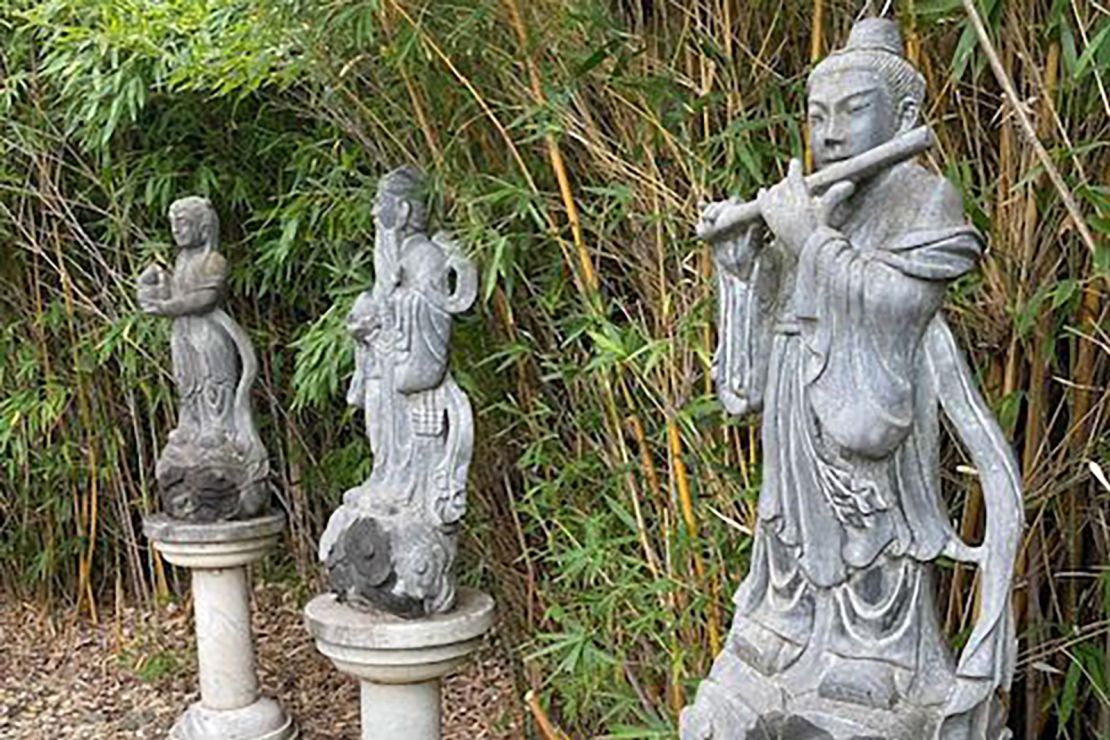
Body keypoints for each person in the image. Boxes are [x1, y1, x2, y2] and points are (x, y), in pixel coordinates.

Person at [682, 18, 1021, 740]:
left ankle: (880, 652)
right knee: (784, 527)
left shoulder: (925, 199)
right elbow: (770, 319)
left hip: (868, 411)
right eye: (816, 115)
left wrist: (807, 237)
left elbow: (902, 307)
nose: (829, 132)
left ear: (903, 115)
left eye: (850, 110)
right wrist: (743, 265)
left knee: (874, 533)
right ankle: (786, 620)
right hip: (794, 395)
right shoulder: (816, 195)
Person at [137, 196, 268, 521]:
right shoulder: (180, 260)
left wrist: (168, 307)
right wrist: (153, 287)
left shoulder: (214, 260)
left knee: (214, 382)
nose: (177, 230)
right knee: (188, 382)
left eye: (183, 223)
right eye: (174, 224)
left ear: (203, 226)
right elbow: (175, 294)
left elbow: (204, 298)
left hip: (210, 334)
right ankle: (191, 425)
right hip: (183, 333)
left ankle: (219, 428)